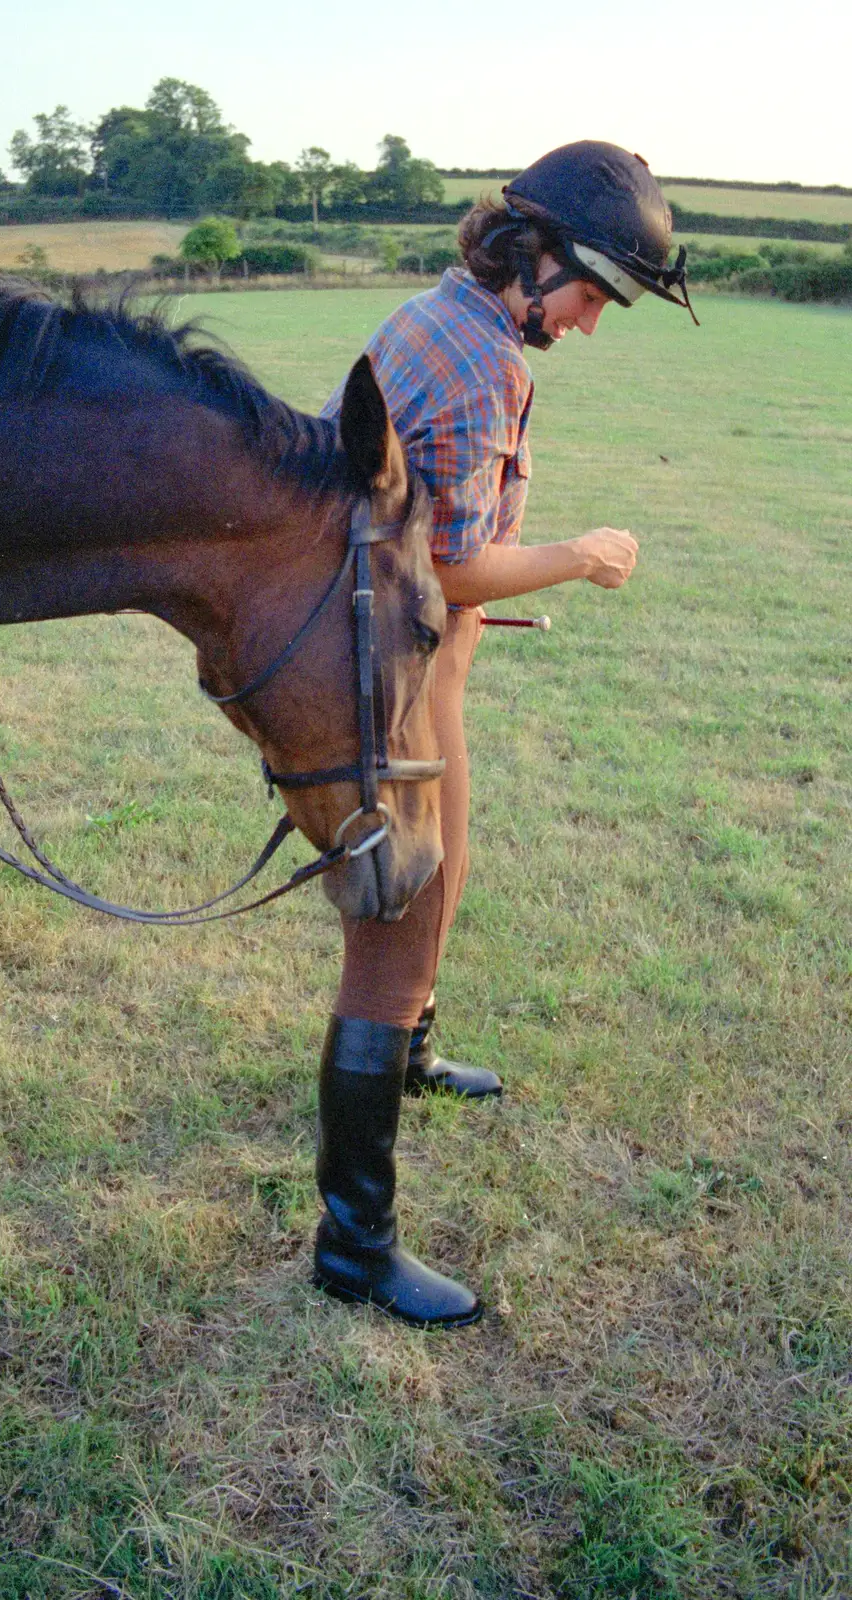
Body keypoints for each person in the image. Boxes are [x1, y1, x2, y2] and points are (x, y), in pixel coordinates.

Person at [312, 141, 698, 1328]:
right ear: (537, 261)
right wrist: (582, 555)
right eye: (590, 298)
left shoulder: (441, 312)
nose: (586, 326)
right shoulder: (481, 364)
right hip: (397, 660)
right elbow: (453, 558)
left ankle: (413, 1054)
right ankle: (351, 1244)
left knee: (444, 878)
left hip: (411, 650)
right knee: (402, 914)